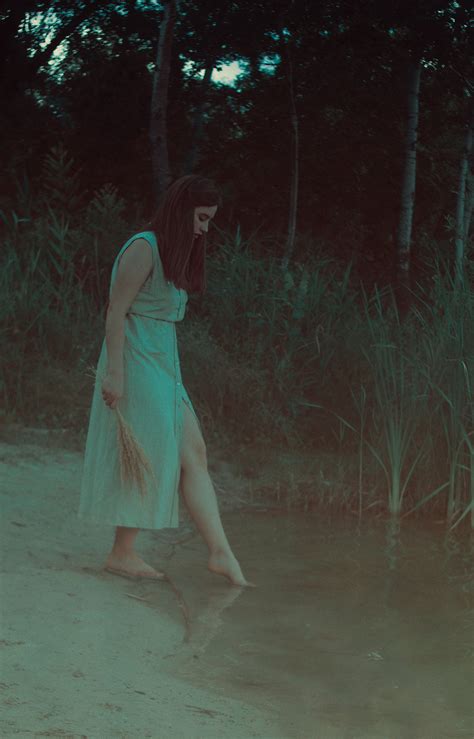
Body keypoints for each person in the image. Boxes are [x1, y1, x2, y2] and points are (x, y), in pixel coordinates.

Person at [78, 175, 254, 587]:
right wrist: (116, 374)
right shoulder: (144, 247)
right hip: (136, 359)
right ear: (182, 210)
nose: (205, 228)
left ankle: (220, 552)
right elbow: (115, 312)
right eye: (202, 218)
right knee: (153, 453)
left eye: (209, 220)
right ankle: (122, 552)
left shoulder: (176, 252)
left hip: (163, 362)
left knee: (194, 452)